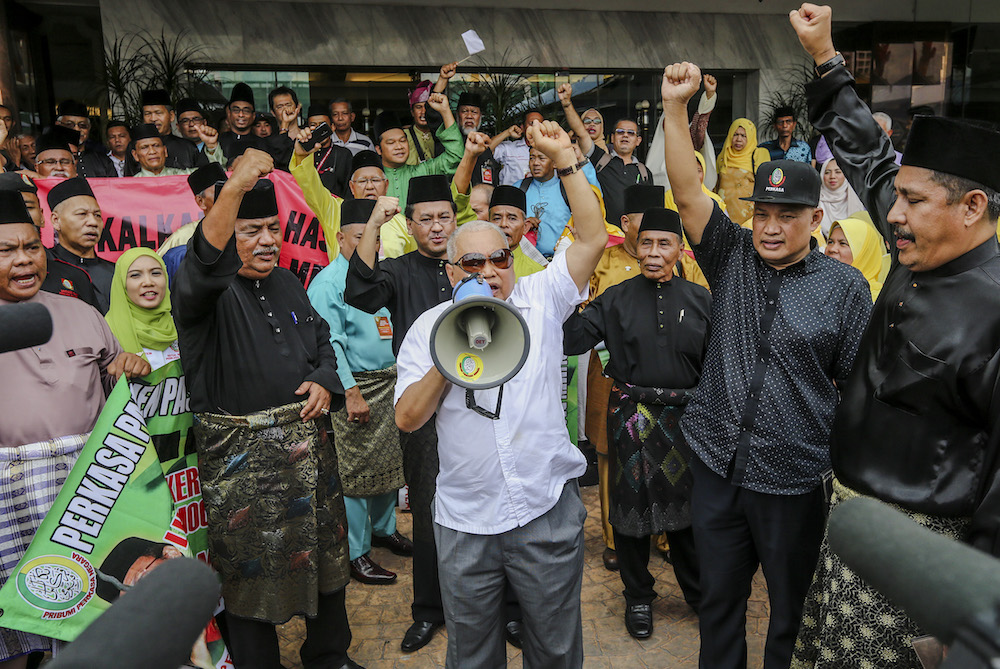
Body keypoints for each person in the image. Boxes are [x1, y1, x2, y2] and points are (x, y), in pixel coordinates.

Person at [788, 5, 1000, 666]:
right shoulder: (916, 238)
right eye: (897, 197)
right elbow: (865, 153)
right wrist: (824, 53)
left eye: (913, 200)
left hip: (921, 557)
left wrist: (968, 612)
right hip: (849, 524)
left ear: (972, 207)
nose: (893, 212)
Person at [660, 60, 873, 669]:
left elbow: (855, 387)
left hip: (793, 478)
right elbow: (686, 191)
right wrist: (676, 109)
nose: (771, 228)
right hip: (717, 465)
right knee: (719, 604)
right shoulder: (731, 256)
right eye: (762, 214)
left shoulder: (845, 288)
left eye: (787, 216)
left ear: (816, 219)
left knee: (790, 612)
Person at [394, 119, 606, 668]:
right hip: (466, 520)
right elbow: (408, 419)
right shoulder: (427, 329)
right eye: (472, 263)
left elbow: (592, 237)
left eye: (500, 258)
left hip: (543, 508)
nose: (489, 272)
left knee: (555, 649)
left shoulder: (541, 298)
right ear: (449, 271)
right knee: (471, 655)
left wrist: (565, 159)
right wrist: (454, 350)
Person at [173, 149, 360, 669]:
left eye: (273, 229)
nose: (267, 241)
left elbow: (322, 341)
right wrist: (234, 186)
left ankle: (328, 655)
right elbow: (204, 262)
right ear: (228, 232)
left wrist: (325, 380)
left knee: (326, 553)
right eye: (250, 230)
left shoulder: (286, 280)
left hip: (310, 454)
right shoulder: (202, 293)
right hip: (241, 467)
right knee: (249, 571)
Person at [0, 190, 149, 669]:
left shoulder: (80, 312)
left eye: (31, 247)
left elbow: (114, 368)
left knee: (87, 613)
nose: (24, 260)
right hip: (8, 495)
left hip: (86, 490)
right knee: (12, 623)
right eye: (6, 251)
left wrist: (127, 362)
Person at [564, 206, 711, 638]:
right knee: (629, 514)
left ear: (679, 249)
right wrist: (570, 289)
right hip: (631, 421)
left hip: (688, 424)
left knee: (688, 515)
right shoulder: (615, 297)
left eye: (664, 243)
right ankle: (638, 598)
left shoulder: (702, 301)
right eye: (646, 242)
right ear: (635, 244)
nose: (653, 252)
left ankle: (699, 594)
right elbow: (572, 337)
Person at [343, 178, 458, 652]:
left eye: (444, 217)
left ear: (456, 220)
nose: (436, 226)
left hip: (481, 407)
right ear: (409, 225)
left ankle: (505, 609)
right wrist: (373, 221)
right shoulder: (398, 271)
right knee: (429, 511)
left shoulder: (474, 263)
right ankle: (429, 610)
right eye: (425, 218)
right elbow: (360, 291)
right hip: (421, 410)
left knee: (492, 506)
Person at [307, 198, 412, 586]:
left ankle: (384, 530)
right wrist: (350, 392)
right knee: (355, 475)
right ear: (339, 237)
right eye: (360, 236)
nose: (371, 242)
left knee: (388, 466)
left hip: (390, 385)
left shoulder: (378, 274)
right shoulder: (328, 283)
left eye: (376, 235)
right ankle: (357, 552)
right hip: (359, 388)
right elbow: (329, 344)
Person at [577, 183, 662, 572]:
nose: (653, 236)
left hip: (665, 381)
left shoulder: (680, 259)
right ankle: (615, 539)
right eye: (645, 223)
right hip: (612, 379)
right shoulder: (601, 261)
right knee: (611, 456)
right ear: (625, 222)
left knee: (664, 452)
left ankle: (663, 533)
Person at [560, 82, 653, 227]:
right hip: (604, 236)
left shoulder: (644, 172)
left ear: (638, 140)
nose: (625, 136)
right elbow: (581, 133)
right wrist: (566, 104)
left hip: (633, 239)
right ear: (613, 137)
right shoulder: (601, 159)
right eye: (620, 132)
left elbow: (649, 209)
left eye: (631, 133)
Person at [0, 172, 98, 307]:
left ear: (41, 215)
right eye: (6, 250)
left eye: (27, 207)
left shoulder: (75, 276)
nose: (21, 215)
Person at [370, 96, 463, 211]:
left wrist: (445, 111)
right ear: (379, 150)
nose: (399, 146)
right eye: (391, 142)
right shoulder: (371, 181)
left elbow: (455, 157)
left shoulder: (423, 171)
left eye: (403, 140)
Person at [519, 140, 602, 258]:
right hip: (525, 261)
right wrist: (523, 224)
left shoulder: (567, 188)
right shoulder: (519, 188)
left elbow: (596, 197)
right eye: (532, 158)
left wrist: (580, 158)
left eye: (541, 158)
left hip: (561, 260)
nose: (535, 163)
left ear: (554, 163)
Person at [48, 177, 115, 313]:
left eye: (97, 215)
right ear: (56, 221)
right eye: (82, 214)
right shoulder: (45, 267)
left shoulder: (115, 272)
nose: (93, 222)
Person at [105, 247, 179, 368]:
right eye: (135, 275)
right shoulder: (106, 333)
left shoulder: (181, 325)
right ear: (122, 283)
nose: (148, 282)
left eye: (156, 273)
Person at [716, 118, 772, 224]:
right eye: (735, 134)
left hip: (748, 216)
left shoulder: (758, 155)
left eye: (743, 136)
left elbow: (765, 185)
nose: (738, 139)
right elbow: (717, 184)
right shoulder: (723, 156)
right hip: (724, 214)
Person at [823, 216, 887, 301]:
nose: (832, 249)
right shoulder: (817, 287)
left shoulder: (876, 298)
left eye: (843, 243)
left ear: (862, 253)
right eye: (830, 242)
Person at [405, 63, 457, 166]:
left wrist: (443, 79)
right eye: (418, 107)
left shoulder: (442, 134)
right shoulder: (403, 136)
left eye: (426, 107)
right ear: (412, 112)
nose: (424, 111)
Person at [488, 185, 547, 277]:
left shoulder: (537, 273)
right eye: (497, 218)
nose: (503, 224)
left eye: (512, 218)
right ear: (488, 224)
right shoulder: (474, 265)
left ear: (525, 227)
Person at [130, 123, 223, 177]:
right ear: (135, 155)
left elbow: (217, 175)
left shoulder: (183, 176)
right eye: (145, 147)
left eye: (156, 145)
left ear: (165, 151)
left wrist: (211, 146)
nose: (152, 151)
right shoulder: (130, 186)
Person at [301, 103, 353, 197]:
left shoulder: (344, 154)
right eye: (313, 125)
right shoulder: (302, 154)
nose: (318, 130)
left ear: (332, 127)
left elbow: (348, 190)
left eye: (322, 125)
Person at [455, 92, 500, 187]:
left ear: (480, 116)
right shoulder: (451, 143)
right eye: (464, 111)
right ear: (457, 115)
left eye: (474, 112)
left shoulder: (484, 146)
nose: (469, 116)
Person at [492, 109, 543, 186]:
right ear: (522, 127)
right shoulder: (510, 148)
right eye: (531, 123)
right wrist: (507, 132)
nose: (535, 127)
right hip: (510, 196)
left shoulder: (551, 151)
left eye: (539, 124)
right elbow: (486, 149)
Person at [818, 158, 865, 238]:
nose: (832, 176)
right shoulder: (816, 201)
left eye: (838, 172)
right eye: (827, 172)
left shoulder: (855, 199)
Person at [218, 83, 258, 163]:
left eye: (246, 111)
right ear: (229, 114)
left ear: (253, 115)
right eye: (236, 110)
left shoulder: (263, 144)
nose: (241, 115)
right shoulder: (218, 141)